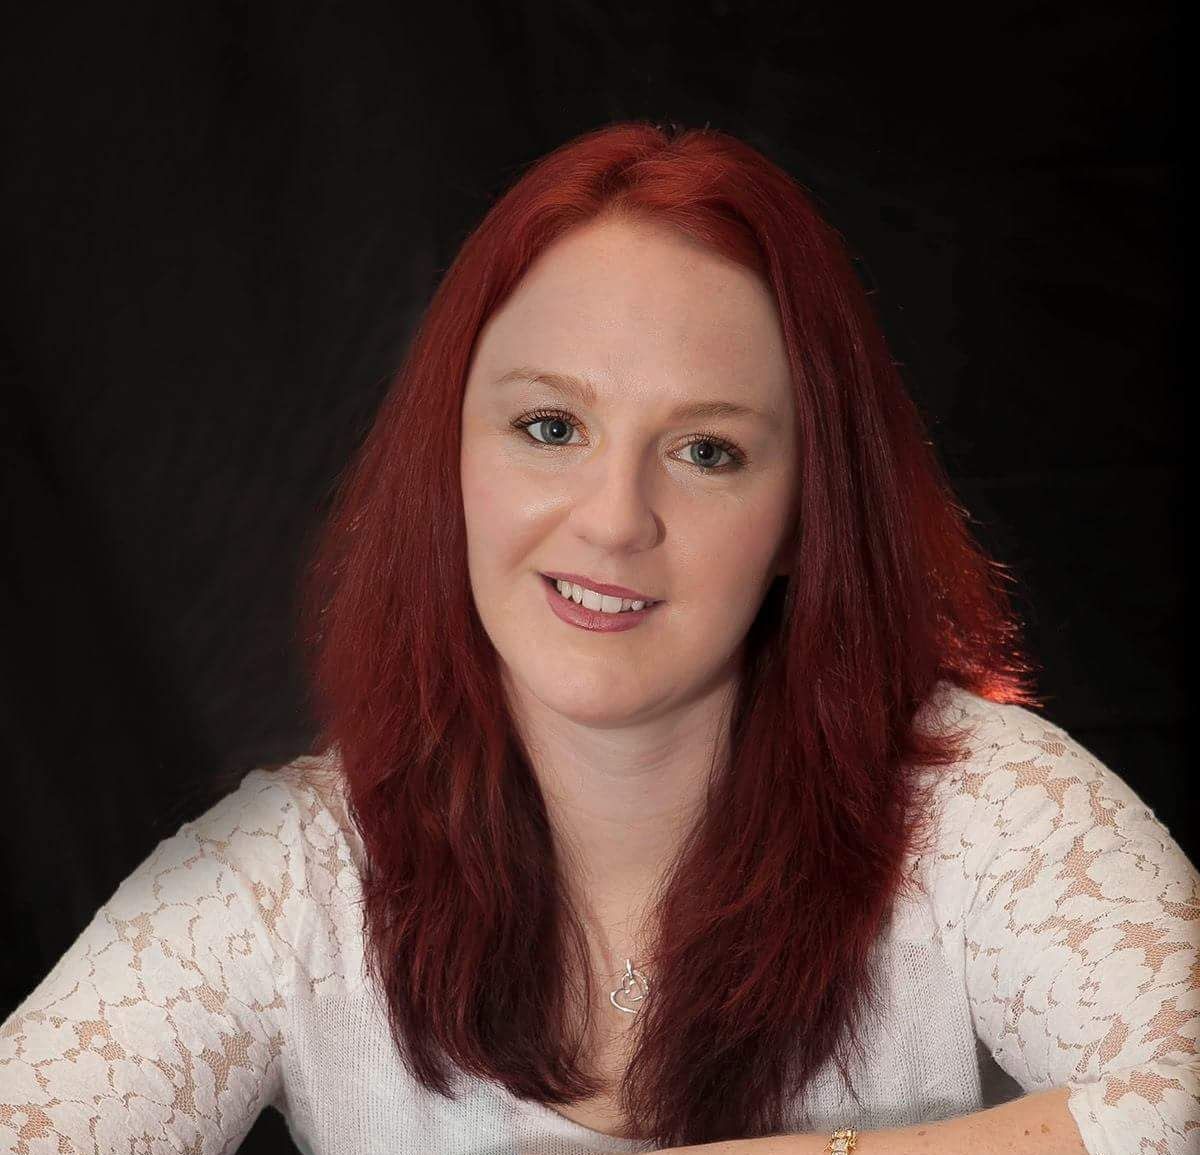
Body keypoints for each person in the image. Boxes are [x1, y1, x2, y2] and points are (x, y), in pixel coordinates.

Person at [1, 121, 1196, 1155]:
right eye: (550, 427)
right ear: (449, 459)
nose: (616, 519)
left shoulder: (981, 810)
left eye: (708, 450)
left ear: (805, 516)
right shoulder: (291, 869)